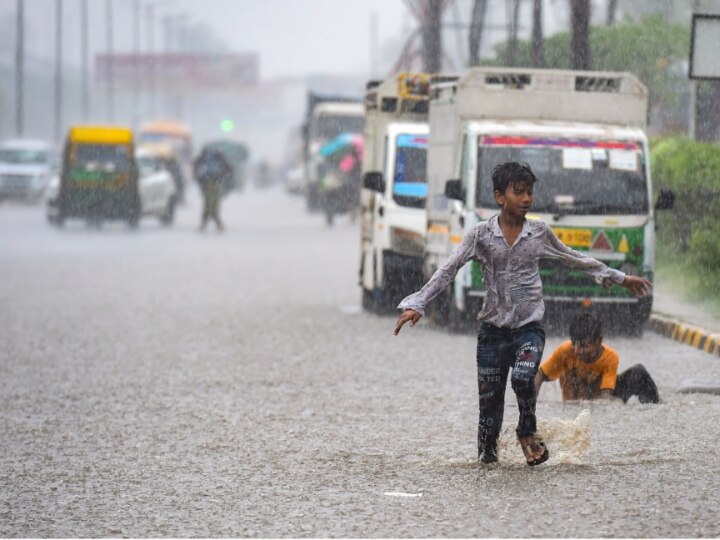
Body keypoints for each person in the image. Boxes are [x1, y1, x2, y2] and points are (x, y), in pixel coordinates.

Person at [393, 162, 651, 466]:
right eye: (519, 192)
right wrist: (418, 303)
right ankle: (486, 466)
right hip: (491, 334)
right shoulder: (481, 235)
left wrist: (621, 278)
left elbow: (574, 258)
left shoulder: (538, 233)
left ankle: (526, 431)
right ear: (500, 197)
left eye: (529, 192)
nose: (527, 198)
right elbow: (449, 269)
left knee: (525, 375)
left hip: (528, 329)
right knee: (489, 413)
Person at [535, 313, 659, 403]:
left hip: (596, 403)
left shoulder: (610, 357)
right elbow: (539, 375)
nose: (578, 351)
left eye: (584, 346)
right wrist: (529, 406)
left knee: (638, 372)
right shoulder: (565, 351)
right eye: (575, 344)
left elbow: (606, 397)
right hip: (571, 407)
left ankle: (655, 406)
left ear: (599, 341)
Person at [194, 149, 231, 232]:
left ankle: (206, 221)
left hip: (205, 181)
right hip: (214, 180)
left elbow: (196, 168)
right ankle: (215, 219)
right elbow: (227, 168)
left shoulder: (203, 158)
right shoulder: (218, 158)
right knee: (213, 201)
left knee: (208, 201)